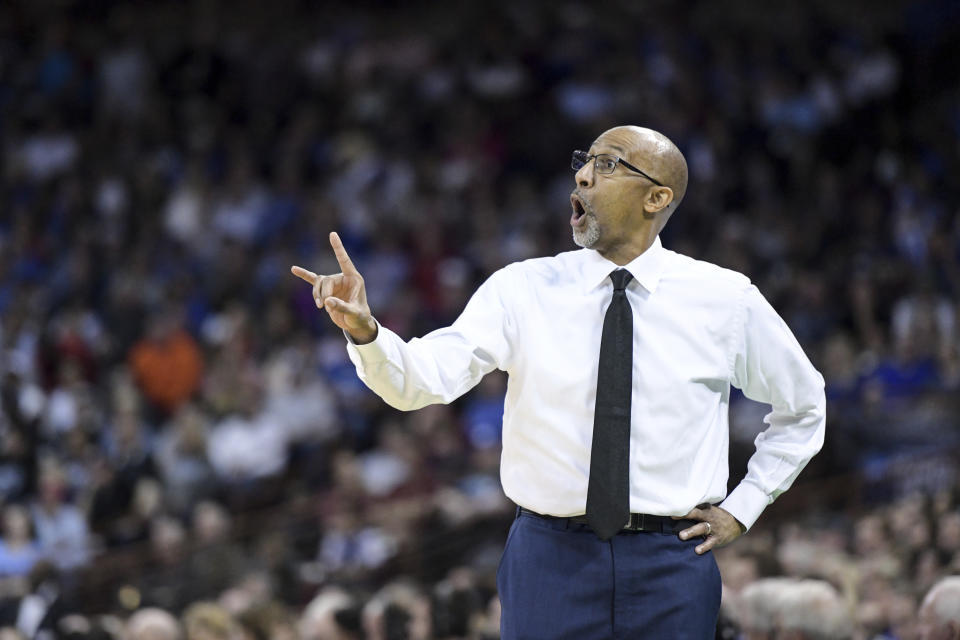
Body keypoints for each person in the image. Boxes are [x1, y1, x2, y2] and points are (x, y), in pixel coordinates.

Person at [292, 125, 826, 638]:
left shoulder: (724, 298)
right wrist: (367, 332)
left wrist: (744, 507)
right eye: (584, 162)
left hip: (672, 559)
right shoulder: (522, 288)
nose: (584, 177)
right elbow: (419, 383)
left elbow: (804, 406)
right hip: (549, 555)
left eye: (608, 164)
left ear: (657, 198)